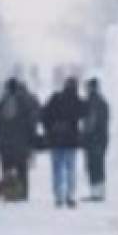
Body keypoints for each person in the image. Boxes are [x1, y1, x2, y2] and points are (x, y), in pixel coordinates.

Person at [41, 77, 86, 209]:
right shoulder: (77, 101)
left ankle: (58, 196)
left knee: (57, 169)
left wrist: (49, 130)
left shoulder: (55, 98)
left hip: (56, 140)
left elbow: (44, 115)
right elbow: (84, 114)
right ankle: (70, 196)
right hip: (71, 140)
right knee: (70, 169)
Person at [0, 77, 34, 198]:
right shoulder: (25, 104)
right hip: (21, 143)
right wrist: (31, 140)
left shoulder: (0, 104)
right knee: (22, 170)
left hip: (5, 143)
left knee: (6, 168)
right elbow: (31, 123)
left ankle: (8, 192)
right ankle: (23, 193)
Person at [81, 78, 110, 202]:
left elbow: (91, 122)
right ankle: (100, 192)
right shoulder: (103, 102)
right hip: (102, 137)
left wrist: (84, 135)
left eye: (87, 88)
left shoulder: (91, 102)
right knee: (99, 164)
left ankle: (96, 193)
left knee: (93, 165)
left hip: (93, 138)